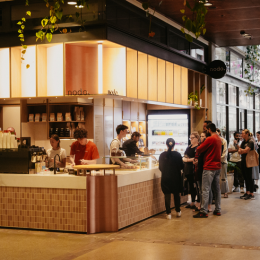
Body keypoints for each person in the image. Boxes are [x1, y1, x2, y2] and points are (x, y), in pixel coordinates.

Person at [193, 123, 222, 218]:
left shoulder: (210, 139)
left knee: (205, 189)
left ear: (209, 130)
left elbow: (199, 149)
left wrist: (199, 144)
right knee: (217, 190)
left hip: (209, 167)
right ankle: (218, 210)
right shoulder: (219, 138)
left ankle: (204, 211)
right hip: (217, 167)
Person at [159, 138, 183, 219]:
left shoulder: (162, 155)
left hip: (165, 177)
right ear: (174, 145)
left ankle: (168, 213)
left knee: (167, 195)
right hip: (176, 178)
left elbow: (160, 168)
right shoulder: (178, 154)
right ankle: (178, 211)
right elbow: (181, 166)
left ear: (166, 145)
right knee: (176, 195)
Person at [194, 131, 213, 212]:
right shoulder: (199, 146)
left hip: (206, 169)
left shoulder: (207, 147)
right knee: (201, 189)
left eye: (203, 136)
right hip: (198, 169)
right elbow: (196, 155)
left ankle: (208, 206)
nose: (201, 138)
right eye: (201, 136)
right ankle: (202, 205)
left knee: (207, 189)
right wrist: (195, 161)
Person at [183, 132, 199, 209]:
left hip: (195, 170)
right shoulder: (189, 147)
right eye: (190, 138)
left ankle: (198, 202)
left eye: (192, 138)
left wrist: (187, 159)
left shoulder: (198, 147)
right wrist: (188, 159)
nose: (191, 139)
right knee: (191, 187)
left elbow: (196, 158)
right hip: (188, 170)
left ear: (197, 138)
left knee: (196, 186)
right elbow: (184, 157)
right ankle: (192, 202)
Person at [238, 129, 255, 200]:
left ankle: (251, 193)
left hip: (249, 161)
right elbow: (239, 151)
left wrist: (242, 150)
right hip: (243, 161)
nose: (242, 135)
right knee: (245, 177)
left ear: (247, 134)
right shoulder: (243, 142)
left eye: (243, 133)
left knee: (249, 177)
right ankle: (247, 192)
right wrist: (242, 150)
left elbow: (246, 150)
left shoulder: (250, 142)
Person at [216, 128, 229, 198]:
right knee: (216, 178)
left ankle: (225, 192)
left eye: (216, 132)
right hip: (216, 162)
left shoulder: (223, 140)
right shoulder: (214, 140)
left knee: (224, 177)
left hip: (223, 161)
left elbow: (225, 152)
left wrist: (220, 159)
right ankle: (217, 192)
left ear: (219, 132)